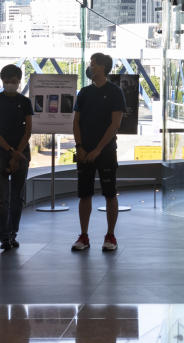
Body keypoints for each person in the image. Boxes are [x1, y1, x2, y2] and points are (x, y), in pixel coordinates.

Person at [71, 52, 126, 252]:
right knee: (84, 194)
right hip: (84, 152)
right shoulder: (84, 93)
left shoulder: (115, 92)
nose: (90, 67)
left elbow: (115, 124)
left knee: (110, 193)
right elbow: (76, 122)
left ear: (103, 67)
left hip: (106, 152)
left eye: (93, 64)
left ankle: (110, 235)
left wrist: (98, 149)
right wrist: (80, 147)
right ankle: (83, 236)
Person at [0, 65, 33, 251]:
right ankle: (4, 237)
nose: (10, 84)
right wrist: (12, 152)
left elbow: (28, 130)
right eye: (7, 81)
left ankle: (13, 233)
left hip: (21, 152)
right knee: (1, 197)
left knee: (17, 196)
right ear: (2, 81)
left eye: (14, 81)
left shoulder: (25, 102)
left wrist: (16, 153)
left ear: (19, 81)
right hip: (0, 151)